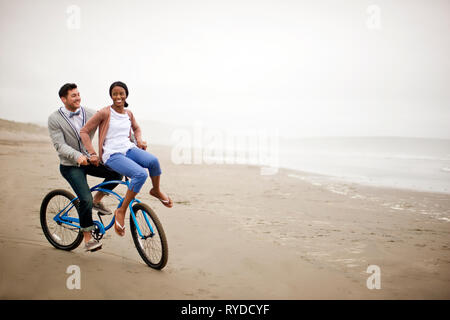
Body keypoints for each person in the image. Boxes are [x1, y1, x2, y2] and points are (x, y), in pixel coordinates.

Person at [80, 81, 173, 237]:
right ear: (111, 96)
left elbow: (136, 128)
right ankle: (121, 210)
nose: (118, 96)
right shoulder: (104, 112)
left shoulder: (128, 114)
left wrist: (139, 140)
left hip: (129, 149)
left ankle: (155, 190)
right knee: (140, 174)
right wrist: (92, 153)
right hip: (112, 154)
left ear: (126, 95)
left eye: (121, 93)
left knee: (153, 162)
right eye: (115, 94)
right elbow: (84, 131)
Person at [48, 83, 123, 252]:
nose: (77, 98)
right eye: (73, 95)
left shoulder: (90, 113)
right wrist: (77, 156)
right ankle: (88, 239)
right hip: (71, 165)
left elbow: (110, 128)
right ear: (63, 99)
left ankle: (97, 201)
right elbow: (59, 145)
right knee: (85, 199)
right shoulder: (54, 119)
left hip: (90, 161)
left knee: (117, 173)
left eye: (78, 94)